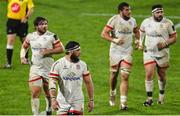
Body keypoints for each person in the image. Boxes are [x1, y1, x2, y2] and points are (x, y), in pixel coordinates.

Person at [20, 17, 64, 115]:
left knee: (48, 92)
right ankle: (35, 114)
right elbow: (24, 47)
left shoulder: (52, 36)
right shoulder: (30, 36)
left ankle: (48, 109)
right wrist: (22, 57)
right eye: (42, 24)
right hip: (35, 68)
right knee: (35, 92)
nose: (44, 26)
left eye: (46, 24)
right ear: (36, 26)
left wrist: (49, 51)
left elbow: (61, 49)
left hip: (48, 68)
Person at [101, 2, 139, 110]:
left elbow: (136, 31)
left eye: (130, 9)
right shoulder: (114, 20)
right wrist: (115, 40)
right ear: (120, 11)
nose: (129, 12)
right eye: (127, 10)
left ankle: (123, 103)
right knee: (114, 75)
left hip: (127, 52)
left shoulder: (133, 20)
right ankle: (112, 93)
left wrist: (137, 41)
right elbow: (103, 34)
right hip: (115, 52)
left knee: (125, 76)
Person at [138, 4, 177, 106]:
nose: (160, 14)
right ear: (153, 13)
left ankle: (161, 96)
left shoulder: (168, 23)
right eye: (158, 12)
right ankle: (149, 99)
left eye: (161, 12)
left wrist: (165, 43)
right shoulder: (146, 22)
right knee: (149, 73)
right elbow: (141, 33)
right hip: (149, 52)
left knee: (162, 75)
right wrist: (139, 43)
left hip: (163, 53)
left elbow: (174, 37)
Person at [49, 41, 94, 115]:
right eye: (78, 50)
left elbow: (88, 82)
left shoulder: (83, 65)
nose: (80, 52)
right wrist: (53, 99)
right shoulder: (58, 64)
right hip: (62, 102)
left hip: (77, 101)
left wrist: (91, 100)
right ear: (70, 52)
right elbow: (52, 83)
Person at [4, 0, 34, 68]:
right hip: (12, 21)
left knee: (25, 41)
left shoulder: (27, 0)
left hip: (22, 22)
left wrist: (26, 17)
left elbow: (31, 9)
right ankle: (9, 64)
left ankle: (25, 59)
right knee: (10, 41)